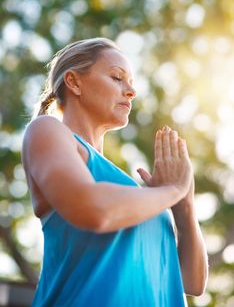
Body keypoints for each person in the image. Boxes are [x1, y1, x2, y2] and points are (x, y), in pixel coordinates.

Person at [21, 38, 208, 307]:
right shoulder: (47, 130)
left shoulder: (135, 194)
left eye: (131, 81)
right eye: (117, 78)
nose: (131, 91)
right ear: (74, 82)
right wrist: (172, 190)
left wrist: (184, 205)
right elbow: (93, 208)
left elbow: (192, 282)